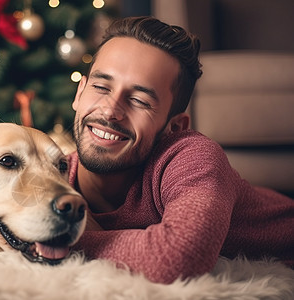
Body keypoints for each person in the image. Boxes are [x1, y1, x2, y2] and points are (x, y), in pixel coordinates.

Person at [68, 16, 294, 284]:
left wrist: (62, 240)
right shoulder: (51, 173)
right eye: (101, 87)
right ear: (79, 93)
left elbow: (180, 256)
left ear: (175, 127)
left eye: (139, 100)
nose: (110, 110)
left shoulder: (191, 156)